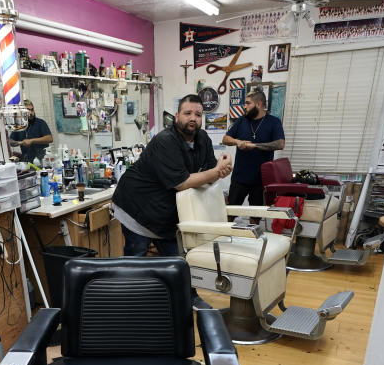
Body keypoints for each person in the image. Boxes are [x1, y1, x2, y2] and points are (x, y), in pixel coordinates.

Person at [112, 94, 233, 307]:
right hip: (137, 206)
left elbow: (208, 170)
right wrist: (216, 171)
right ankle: (127, 305)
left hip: (165, 211)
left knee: (179, 260)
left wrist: (221, 167)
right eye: (187, 113)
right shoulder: (165, 141)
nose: (193, 118)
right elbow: (183, 182)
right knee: (135, 259)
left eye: (198, 114)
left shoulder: (202, 138)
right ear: (177, 116)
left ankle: (190, 298)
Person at [222, 90, 285, 207]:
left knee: (255, 216)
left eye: (247, 103)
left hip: (261, 179)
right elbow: (225, 139)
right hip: (239, 178)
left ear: (259, 104)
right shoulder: (241, 121)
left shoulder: (274, 122)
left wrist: (255, 145)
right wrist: (237, 142)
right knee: (230, 212)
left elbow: (280, 144)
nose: (244, 106)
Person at [8, 99, 52, 165]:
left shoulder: (40, 123)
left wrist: (32, 141)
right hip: (27, 162)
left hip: (42, 161)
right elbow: (11, 141)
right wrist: (20, 142)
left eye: (32, 110)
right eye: (28, 110)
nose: (31, 113)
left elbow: (49, 138)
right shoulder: (19, 125)